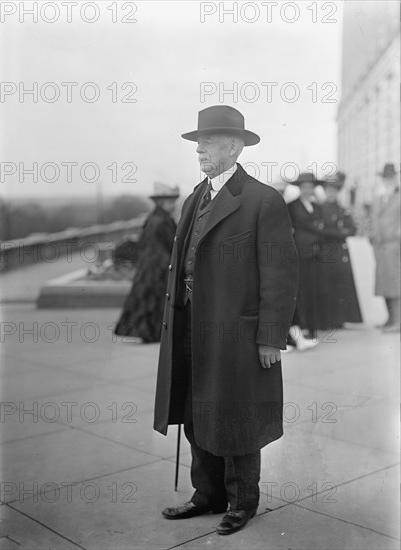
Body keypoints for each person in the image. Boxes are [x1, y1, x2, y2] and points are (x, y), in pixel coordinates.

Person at [153, 105, 298, 535]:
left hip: (238, 331)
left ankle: (242, 501)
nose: (199, 148)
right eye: (198, 141)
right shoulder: (193, 198)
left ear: (233, 147)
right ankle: (208, 494)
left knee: (238, 415)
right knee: (198, 411)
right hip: (191, 326)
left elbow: (280, 274)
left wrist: (270, 337)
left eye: (208, 141)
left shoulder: (262, 200)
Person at [114, 183, 179, 342]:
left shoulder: (152, 218)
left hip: (147, 264)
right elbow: (172, 244)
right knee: (155, 300)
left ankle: (143, 332)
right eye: (171, 202)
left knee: (145, 299)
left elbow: (143, 242)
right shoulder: (163, 220)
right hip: (160, 265)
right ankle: (152, 333)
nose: (173, 205)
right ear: (162, 203)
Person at [318, 172, 362, 329]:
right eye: (328, 190)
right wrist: (339, 233)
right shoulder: (319, 208)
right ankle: (327, 319)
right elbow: (320, 231)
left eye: (334, 190)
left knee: (341, 285)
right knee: (326, 284)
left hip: (340, 253)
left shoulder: (342, 209)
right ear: (324, 191)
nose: (331, 192)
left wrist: (339, 232)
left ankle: (340, 318)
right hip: (326, 251)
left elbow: (353, 229)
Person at [287, 172, 324, 339]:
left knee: (313, 290)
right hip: (300, 254)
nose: (308, 190)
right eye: (305, 187)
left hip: (315, 255)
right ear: (300, 188)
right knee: (301, 291)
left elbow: (320, 229)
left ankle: (312, 327)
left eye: (310, 187)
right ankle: (301, 327)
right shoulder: (292, 206)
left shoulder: (317, 207)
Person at [371, 163, 400, 333]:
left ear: (395, 177)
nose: (387, 180)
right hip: (379, 245)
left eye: (390, 177)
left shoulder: (399, 195)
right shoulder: (379, 196)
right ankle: (389, 319)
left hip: (394, 244)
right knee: (383, 283)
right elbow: (373, 218)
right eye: (385, 177)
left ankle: (398, 321)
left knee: (395, 283)